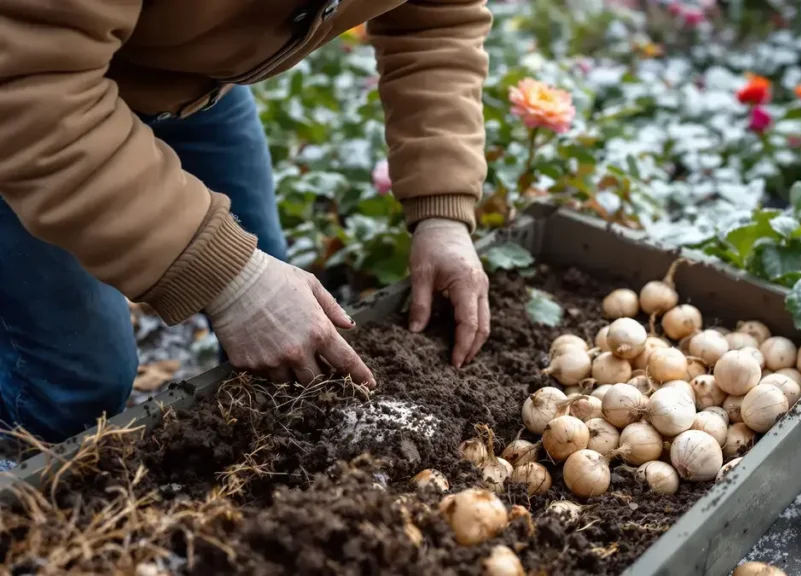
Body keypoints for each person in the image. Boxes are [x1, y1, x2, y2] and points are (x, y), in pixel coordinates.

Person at [0, 0, 493, 442]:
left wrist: (441, 211)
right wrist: (230, 280)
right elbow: (28, 85)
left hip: (185, 75)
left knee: (277, 297)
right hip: (34, 100)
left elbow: (437, 18)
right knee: (74, 382)